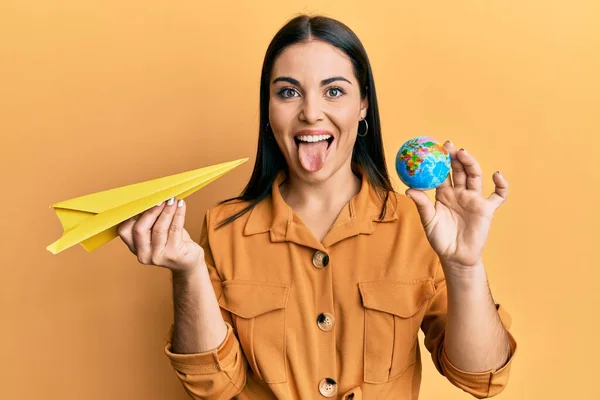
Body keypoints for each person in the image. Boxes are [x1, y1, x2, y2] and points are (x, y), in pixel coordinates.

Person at [117, 14, 517, 400]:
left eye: (334, 91)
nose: (310, 112)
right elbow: (213, 387)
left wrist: (465, 267)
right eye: (288, 92)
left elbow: (481, 378)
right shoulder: (224, 228)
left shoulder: (419, 226)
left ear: (363, 105)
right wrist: (188, 271)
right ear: (268, 111)